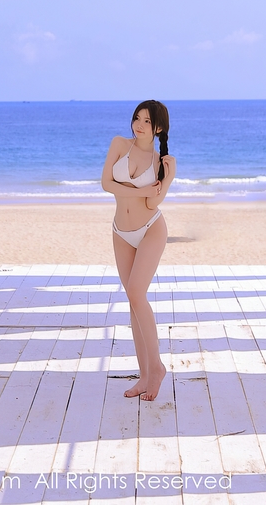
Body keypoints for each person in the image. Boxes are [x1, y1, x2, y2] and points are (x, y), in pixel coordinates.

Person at [101, 99, 175, 400]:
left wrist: (168, 179)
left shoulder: (160, 161)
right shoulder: (120, 144)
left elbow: (152, 203)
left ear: (158, 128)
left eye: (147, 121)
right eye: (137, 118)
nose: (139, 125)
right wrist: (141, 190)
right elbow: (106, 183)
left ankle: (156, 367)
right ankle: (145, 376)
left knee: (136, 293)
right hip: (121, 232)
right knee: (133, 301)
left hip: (151, 230)